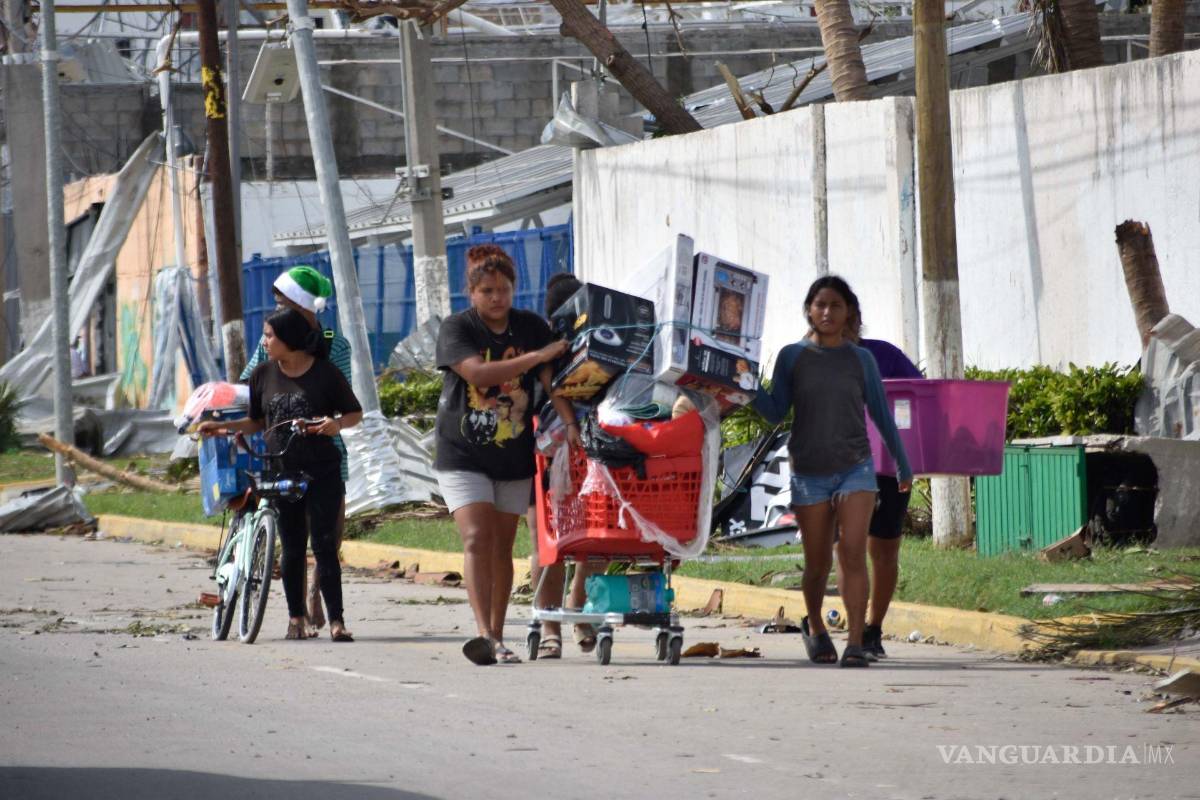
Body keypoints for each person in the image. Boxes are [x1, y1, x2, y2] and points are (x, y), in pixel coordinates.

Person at [752, 276, 912, 668]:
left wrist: (903, 462)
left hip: (856, 469)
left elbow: (880, 413)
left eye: (835, 305)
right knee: (819, 563)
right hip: (809, 472)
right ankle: (818, 630)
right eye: (820, 304)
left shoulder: (863, 360)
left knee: (854, 554)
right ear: (808, 309)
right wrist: (746, 383)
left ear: (849, 314)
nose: (827, 312)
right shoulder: (792, 357)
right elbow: (775, 410)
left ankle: (855, 643)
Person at [436, 246, 579, 665]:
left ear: (514, 289)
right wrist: (536, 357)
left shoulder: (530, 326)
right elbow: (478, 373)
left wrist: (570, 425)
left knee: (502, 546)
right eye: (487, 291)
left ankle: (497, 635)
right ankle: (482, 633)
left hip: (514, 453)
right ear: (472, 293)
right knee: (477, 537)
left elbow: (552, 383)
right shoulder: (457, 327)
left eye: (503, 289)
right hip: (461, 451)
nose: (496, 298)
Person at [201, 307, 363, 642]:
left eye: (270, 336)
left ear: (289, 339)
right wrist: (223, 427)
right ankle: (295, 619)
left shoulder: (326, 373)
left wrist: (335, 425)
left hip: (322, 470)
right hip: (281, 471)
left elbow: (354, 413)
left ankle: (337, 621)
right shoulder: (262, 374)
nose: (265, 341)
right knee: (290, 546)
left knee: (323, 544)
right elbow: (257, 422)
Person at [241, 265, 352, 636]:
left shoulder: (336, 345)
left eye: (282, 301)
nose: (276, 310)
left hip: (326, 450)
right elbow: (250, 389)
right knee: (291, 539)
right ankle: (297, 614)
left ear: (303, 305)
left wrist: (332, 423)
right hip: (283, 453)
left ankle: (319, 598)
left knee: (327, 537)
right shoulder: (268, 343)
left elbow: (344, 399)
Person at [836, 314, 923, 661]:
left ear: (857, 322)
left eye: (844, 315)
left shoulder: (885, 355)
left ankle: (873, 629)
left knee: (885, 553)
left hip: (887, 469)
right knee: (847, 550)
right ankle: (856, 630)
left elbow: (921, 399)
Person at [525, 272, 597, 659]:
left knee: (595, 537)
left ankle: (574, 610)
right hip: (545, 456)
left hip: (587, 455)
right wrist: (569, 423)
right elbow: (550, 386)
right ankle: (551, 625)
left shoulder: (596, 342)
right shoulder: (544, 347)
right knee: (547, 544)